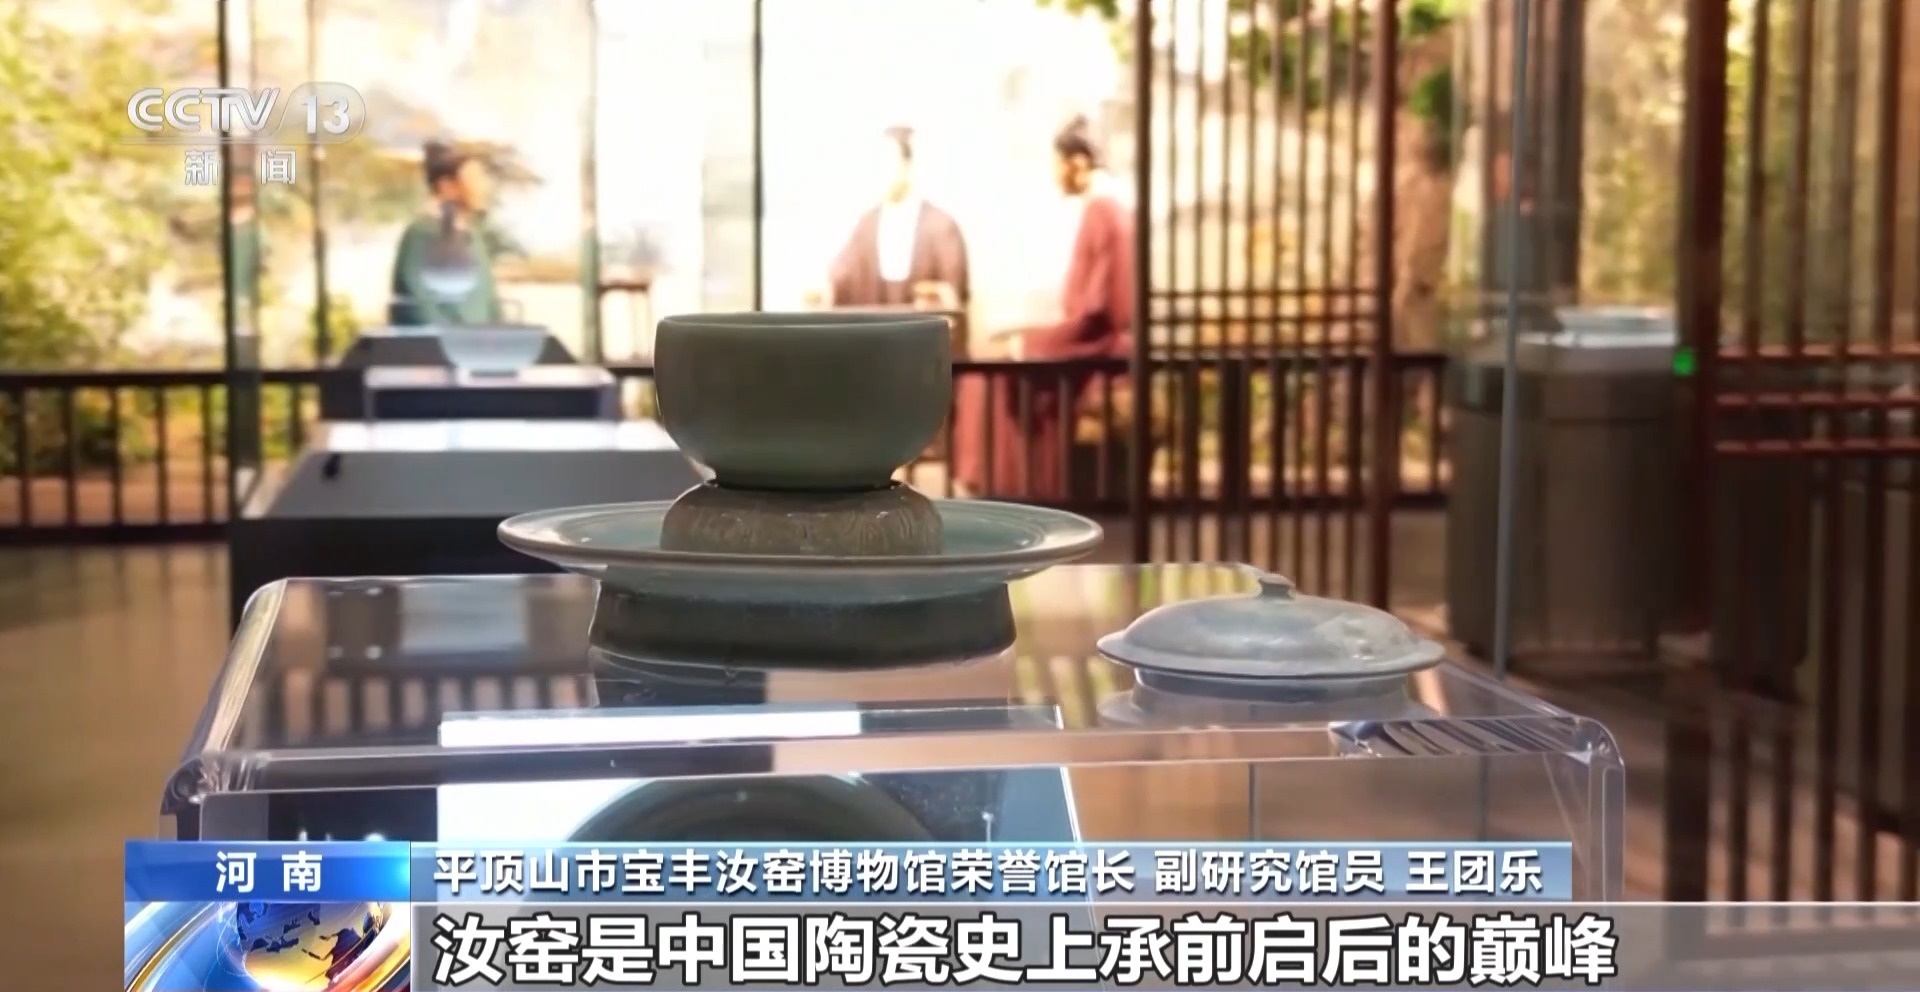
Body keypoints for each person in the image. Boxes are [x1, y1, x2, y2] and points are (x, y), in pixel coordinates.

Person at [954, 116, 1135, 501]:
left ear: (1078, 164)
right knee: (990, 370)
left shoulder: (1104, 213)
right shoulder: (1108, 210)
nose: (1055, 174)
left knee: (988, 379)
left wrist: (1029, 345)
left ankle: (1014, 493)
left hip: (1095, 353)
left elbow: (1097, 314)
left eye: (1057, 163)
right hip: (1090, 342)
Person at [825, 126, 970, 310]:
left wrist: (937, 294)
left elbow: (953, 293)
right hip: (877, 323)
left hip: (920, 325)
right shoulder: (867, 224)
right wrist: (826, 287)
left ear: (906, 165)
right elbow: (842, 277)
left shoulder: (940, 225)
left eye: (886, 164)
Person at [388, 141, 504, 326]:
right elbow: (419, 303)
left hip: (481, 340)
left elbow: (490, 300)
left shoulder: (472, 234)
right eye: (473, 179)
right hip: (440, 341)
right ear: (447, 186)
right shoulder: (422, 233)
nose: (483, 188)